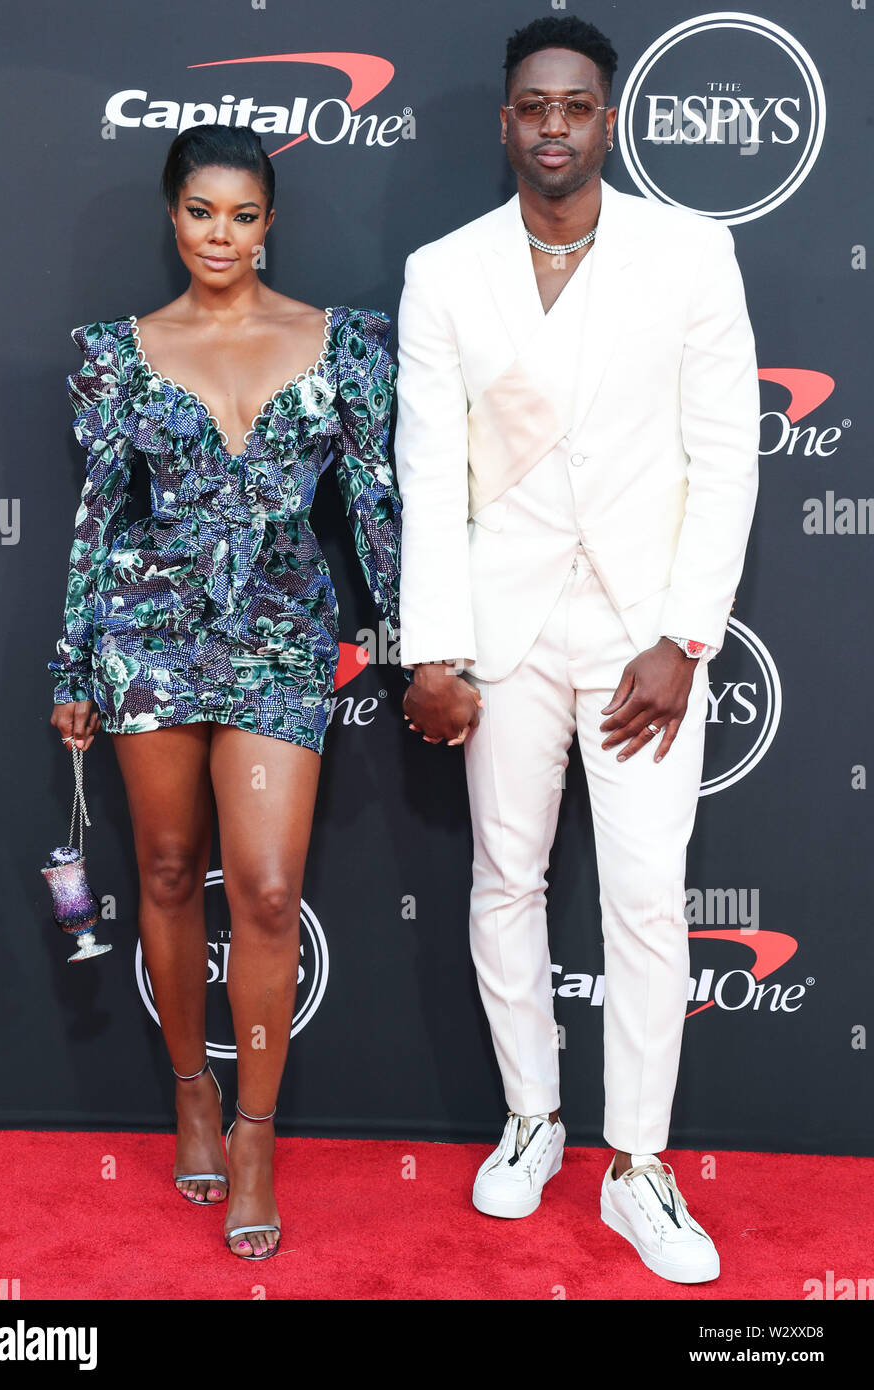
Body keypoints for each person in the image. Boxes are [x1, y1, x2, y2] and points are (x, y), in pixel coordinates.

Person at [395, 15, 759, 1284]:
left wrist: (683, 635)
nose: (555, 124)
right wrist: (431, 648)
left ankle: (640, 1165)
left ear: (609, 119)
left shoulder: (691, 252)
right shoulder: (444, 271)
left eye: (577, 106)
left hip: (642, 636)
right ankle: (533, 1119)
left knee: (649, 896)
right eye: (533, 106)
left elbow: (726, 455)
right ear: (506, 123)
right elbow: (427, 471)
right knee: (506, 877)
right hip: (502, 631)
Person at [48, 124, 401, 1260]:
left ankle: (255, 1132)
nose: (221, 235)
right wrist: (72, 664)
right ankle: (190, 1091)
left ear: (269, 222)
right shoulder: (116, 351)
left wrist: (413, 641)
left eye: (243, 215)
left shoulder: (341, 343)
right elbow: (96, 519)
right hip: (145, 640)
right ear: (173, 215)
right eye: (202, 212)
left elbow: (376, 512)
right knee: (161, 869)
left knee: (260, 883)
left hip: (282, 639)